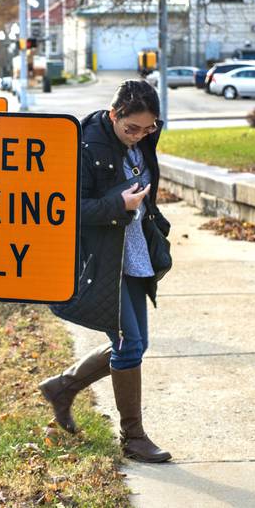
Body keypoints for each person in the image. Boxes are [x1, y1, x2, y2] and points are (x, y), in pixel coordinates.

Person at [43, 80, 172, 463]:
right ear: (113, 114)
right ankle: (133, 437)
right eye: (131, 128)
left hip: (132, 251)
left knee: (135, 344)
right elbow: (69, 210)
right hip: (102, 257)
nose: (138, 137)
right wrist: (118, 204)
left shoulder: (144, 138)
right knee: (130, 345)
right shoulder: (85, 144)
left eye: (147, 129)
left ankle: (62, 388)